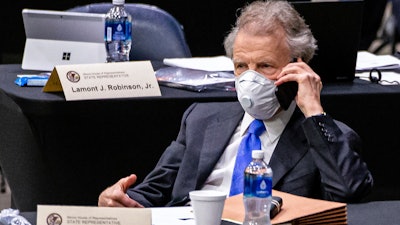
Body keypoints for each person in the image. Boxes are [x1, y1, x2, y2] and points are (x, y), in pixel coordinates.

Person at [98, 0, 373, 208]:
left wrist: (313, 110)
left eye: (265, 66)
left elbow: (349, 195)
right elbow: (153, 191)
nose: (250, 77)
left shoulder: (327, 136)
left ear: (298, 68)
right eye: (241, 66)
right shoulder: (201, 118)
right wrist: (121, 201)